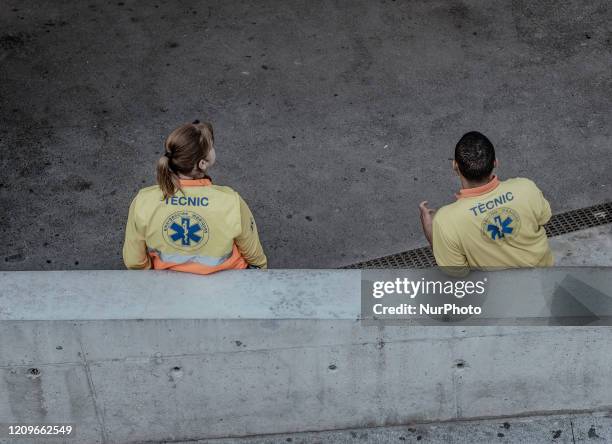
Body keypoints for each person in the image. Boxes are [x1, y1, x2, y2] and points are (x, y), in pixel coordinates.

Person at [123, 120, 267, 274]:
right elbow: (254, 255)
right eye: (211, 146)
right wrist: (259, 270)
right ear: (203, 164)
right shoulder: (231, 201)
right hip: (226, 281)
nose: (213, 149)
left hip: (170, 284)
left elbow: (134, 261)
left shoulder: (143, 201)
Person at [419, 131, 553, 271]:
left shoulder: (446, 221)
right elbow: (544, 218)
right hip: (545, 282)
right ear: (496, 162)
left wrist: (431, 233)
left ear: (455, 166)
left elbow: (456, 274)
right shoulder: (526, 188)